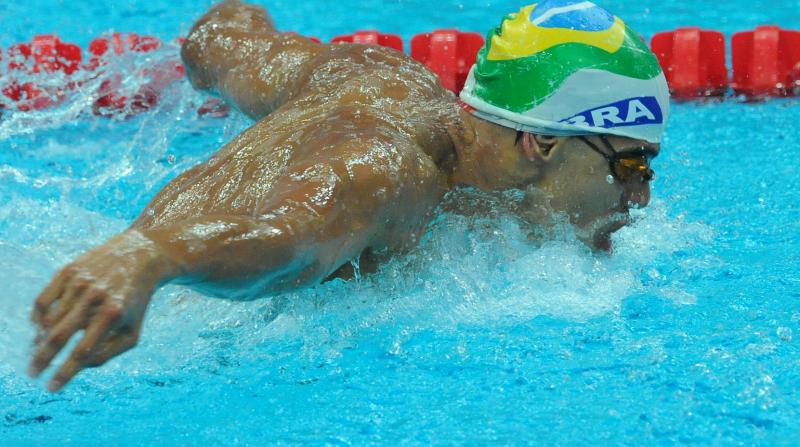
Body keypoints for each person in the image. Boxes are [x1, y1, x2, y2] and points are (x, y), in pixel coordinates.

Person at [28, 0, 669, 391]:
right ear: (544, 145)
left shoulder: (375, 77)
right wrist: (149, 258)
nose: (640, 196)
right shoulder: (388, 171)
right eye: (633, 163)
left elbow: (221, 45)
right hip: (101, 347)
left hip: (59, 284)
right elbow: (288, 242)